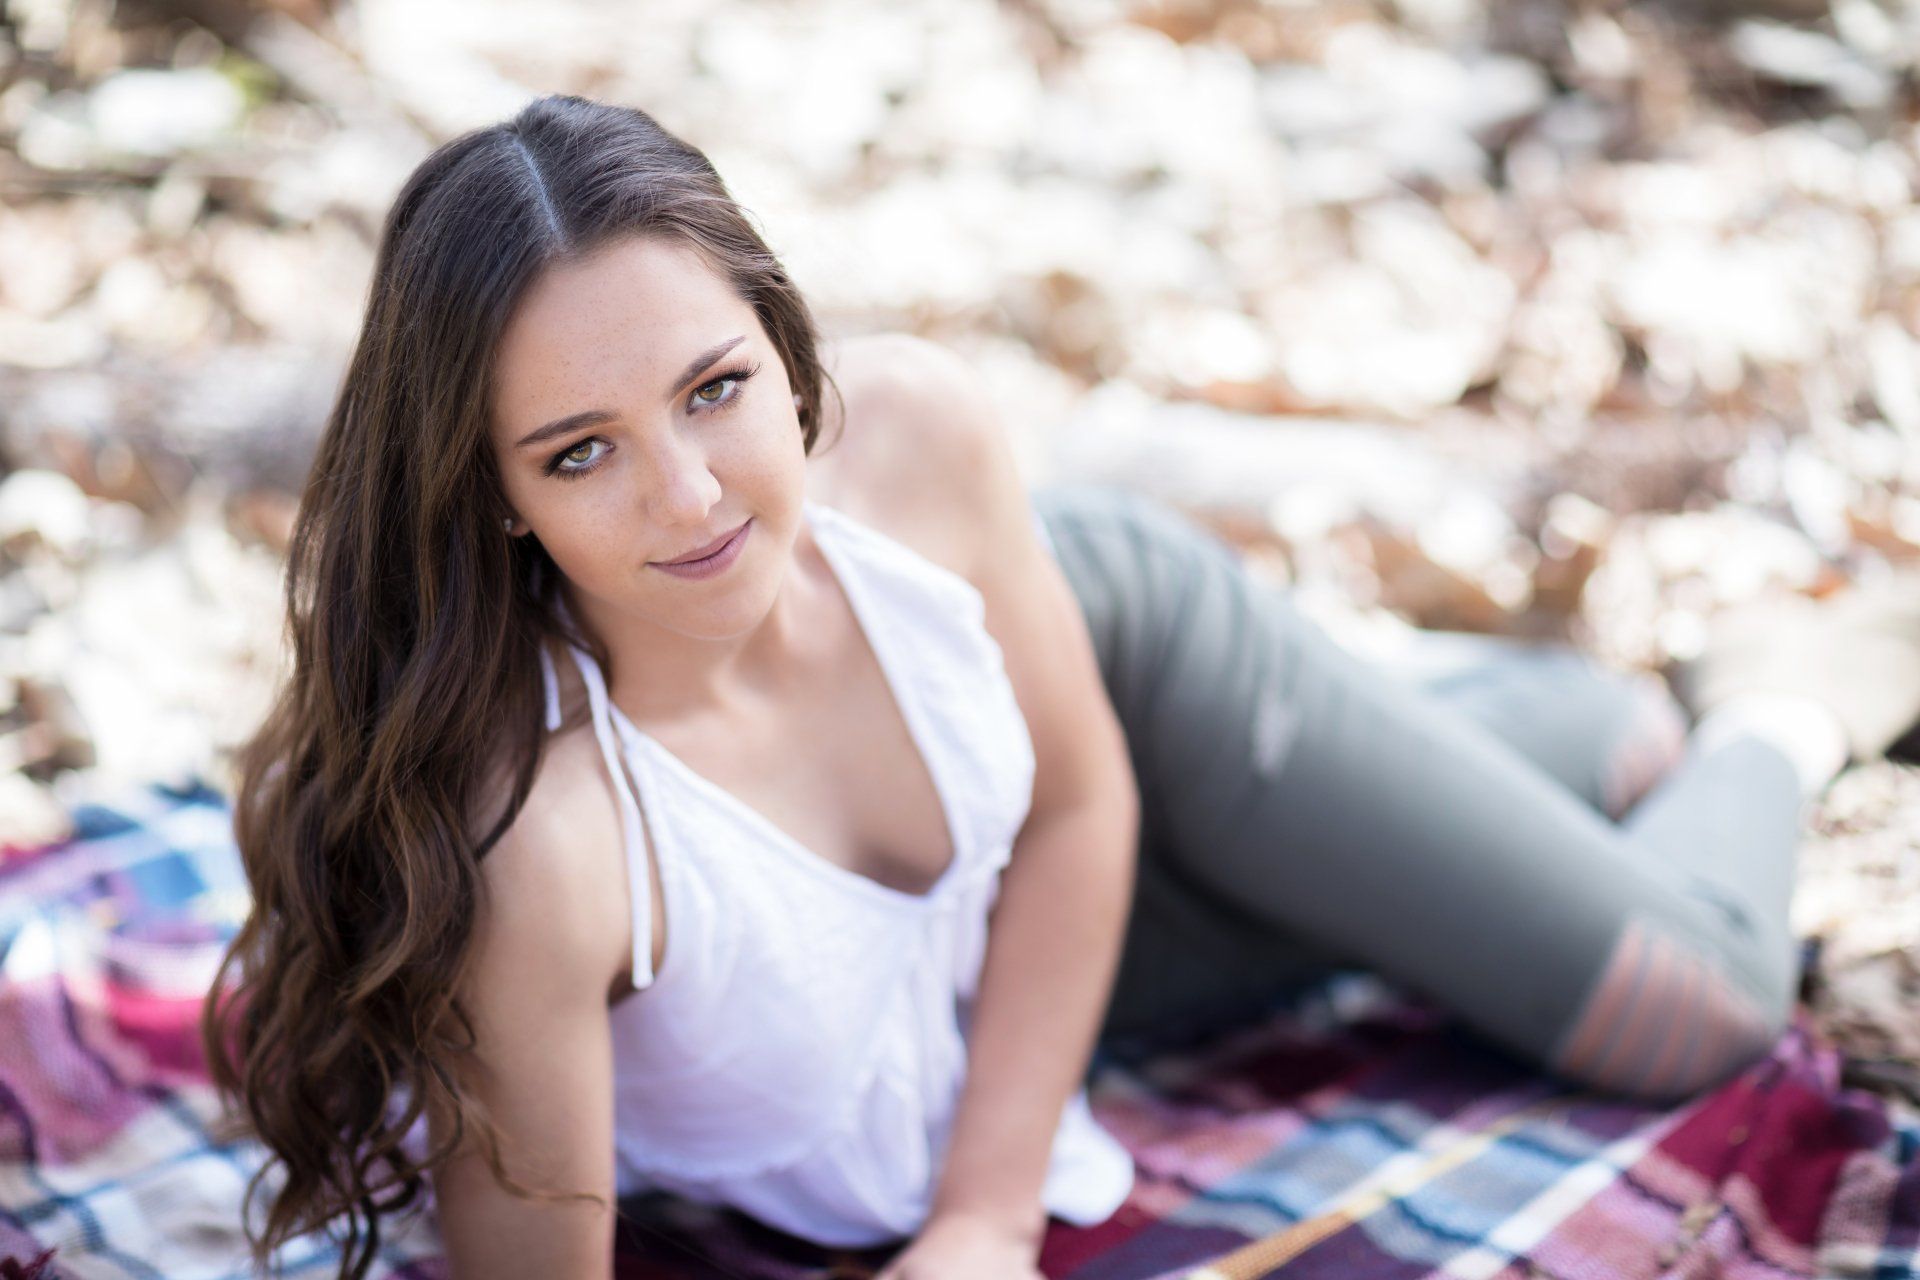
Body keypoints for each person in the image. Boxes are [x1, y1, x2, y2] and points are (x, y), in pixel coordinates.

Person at [200, 93, 1920, 1280]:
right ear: (493, 490)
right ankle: (1515, 730)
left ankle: (1781, 692)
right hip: (968, 949)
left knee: (1686, 1001)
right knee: (1606, 750)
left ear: (789, 349)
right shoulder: (545, 841)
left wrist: (983, 1221)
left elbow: (1084, 798)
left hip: (1107, 685)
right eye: (583, 452)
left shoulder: (920, 440)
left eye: (717, 388)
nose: (693, 498)